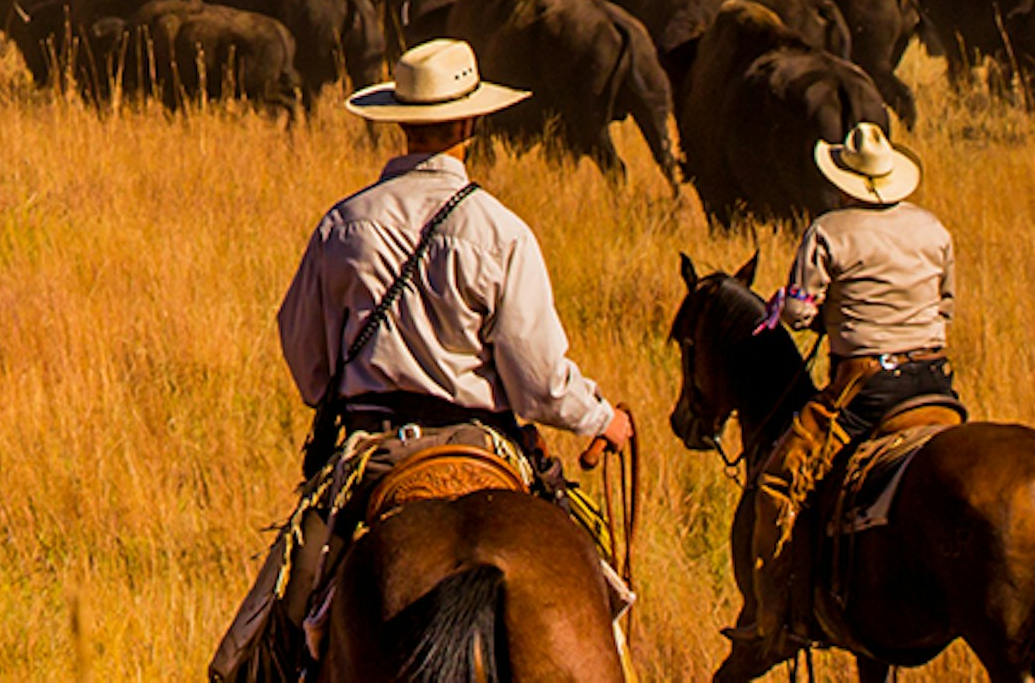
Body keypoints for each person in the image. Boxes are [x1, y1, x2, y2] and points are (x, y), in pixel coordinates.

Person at [212, 38, 632, 683]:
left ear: (401, 120)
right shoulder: (501, 230)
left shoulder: (342, 226)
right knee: (601, 603)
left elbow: (306, 363)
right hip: (487, 444)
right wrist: (600, 418)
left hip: (371, 454)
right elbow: (540, 380)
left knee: (266, 638)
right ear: (471, 123)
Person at [725, 120, 959, 664]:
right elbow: (945, 305)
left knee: (779, 483)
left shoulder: (828, 230)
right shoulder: (933, 228)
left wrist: (794, 306)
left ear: (845, 179)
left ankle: (772, 614)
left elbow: (803, 313)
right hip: (934, 384)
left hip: (866, 389)